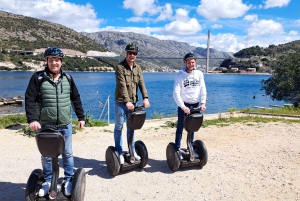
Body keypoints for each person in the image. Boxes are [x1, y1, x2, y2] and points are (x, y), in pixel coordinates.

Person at [25, 47, 85, 197]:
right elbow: (30, 99)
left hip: (65, 124)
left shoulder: (68, 78)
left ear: (61, 62)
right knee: (46, 156)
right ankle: (47, 181)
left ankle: (69, 180)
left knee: (68, 154)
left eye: (57, 60)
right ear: (46, 61)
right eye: (51, 60)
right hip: (45, 125)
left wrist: (81, 117)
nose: (54, 63)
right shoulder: (37, 78)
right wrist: (32, 119)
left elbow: (75, 98)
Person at [114, 42, 150, 164]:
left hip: (133, 103)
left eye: (134, 53)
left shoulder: (138, 68)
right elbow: (122, 85)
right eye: (130, 53)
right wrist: (127, 101)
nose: (132, 55)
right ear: (126, 53)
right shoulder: (120, 67)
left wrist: (145, 97)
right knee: (119, 127)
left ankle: (132, 150)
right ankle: (118, 152)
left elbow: (141, 84)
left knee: (132, 127)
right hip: (121, 102)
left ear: (136, 55)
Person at [173, 52, 207, 155]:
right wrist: (182, 106)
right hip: (184, 105)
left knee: (192, 127)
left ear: (195, 62)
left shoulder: (199, 74)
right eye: (189, 62)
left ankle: (190, 146)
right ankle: (177, 148)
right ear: (185, 63)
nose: (191, 64)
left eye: (193, 62)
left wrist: (203, 103)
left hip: (195, 105)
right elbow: (176, 93)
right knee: (180, 127)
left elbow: (203, 89)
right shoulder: (180, 76)